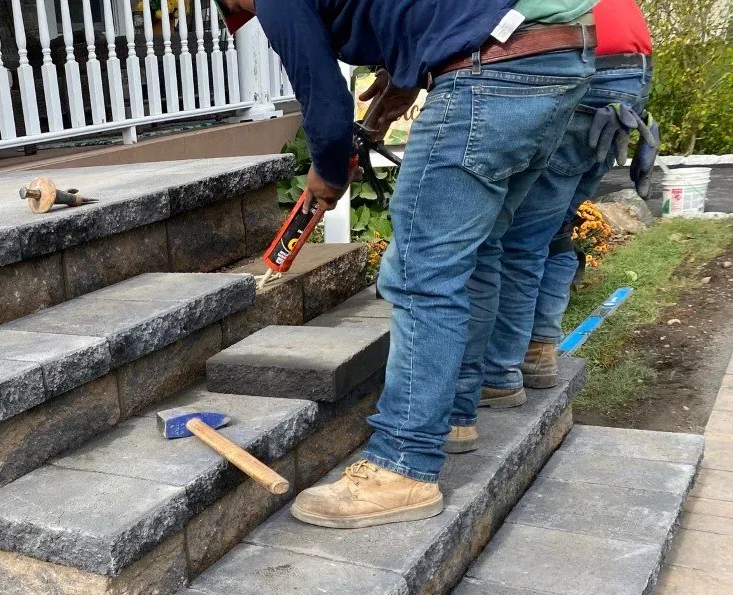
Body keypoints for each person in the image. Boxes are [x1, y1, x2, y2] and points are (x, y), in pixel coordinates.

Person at [218, 0, 596, 529]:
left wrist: (328, 170)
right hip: (559, 61)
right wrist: (406, 76)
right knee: (478, 250)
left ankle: (403, 463)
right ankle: (455, 418)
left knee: (423, 276)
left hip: (490, 70)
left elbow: (324, 107)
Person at [445, 0, 656, 454]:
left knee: (517, 240)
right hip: (627, 68)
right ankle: (537, 351)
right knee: (554, 228)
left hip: (578, 61)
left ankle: (501, 373)